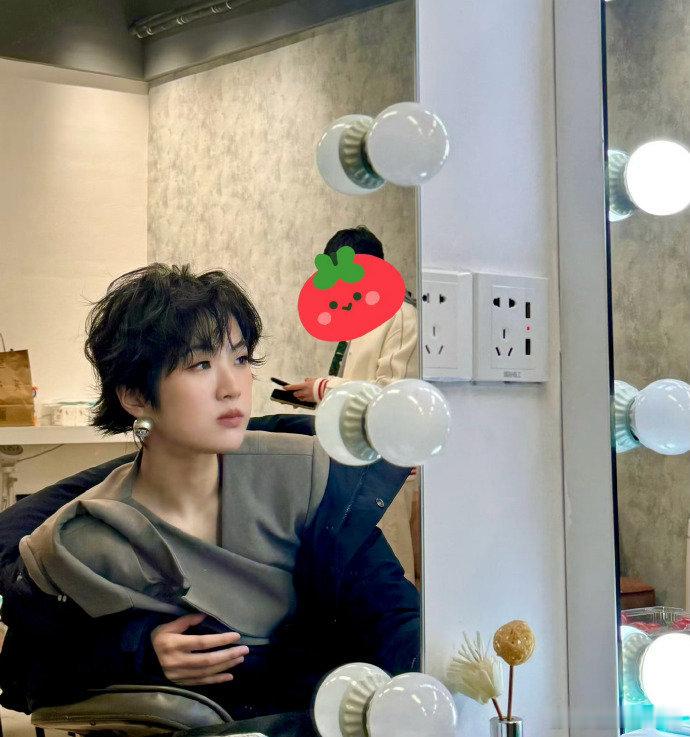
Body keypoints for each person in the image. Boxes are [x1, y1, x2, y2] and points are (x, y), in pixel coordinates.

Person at [0, 264, 419, 719]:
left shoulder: (303, 478)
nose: (232, 387)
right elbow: (34, 670)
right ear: (136, 396)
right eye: (200, 365)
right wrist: (139, 649)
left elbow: (395, 616)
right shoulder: (90, 540)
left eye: (240, 360)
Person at [285, 227, 421, 585]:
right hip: (350, 459)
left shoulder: (401, 315)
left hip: (385, 465)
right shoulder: (358, 318)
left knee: (389, 566)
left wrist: (323, 388)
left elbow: (391, 396)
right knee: (355, 567)